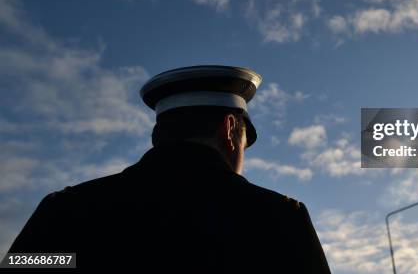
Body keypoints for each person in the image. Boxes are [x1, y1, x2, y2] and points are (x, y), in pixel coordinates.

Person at [8, 65, 331, 272]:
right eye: (245, 142)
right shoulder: (278, 220)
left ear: (158, 135)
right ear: (229, 130)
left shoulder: (67, 210)